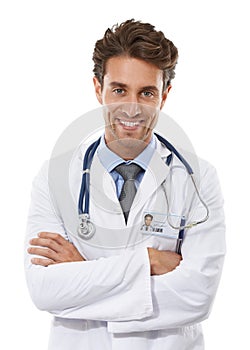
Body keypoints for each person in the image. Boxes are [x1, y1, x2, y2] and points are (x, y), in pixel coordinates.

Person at [25, 19, 226, 350]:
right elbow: (45, 289)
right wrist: (147, 263)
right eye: (119, 90)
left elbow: (197, 296)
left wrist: (82, 272)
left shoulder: (198, 178)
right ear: (97, 88)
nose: (131, 108)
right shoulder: (55, 177)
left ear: (164, 96)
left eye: (146, 92)